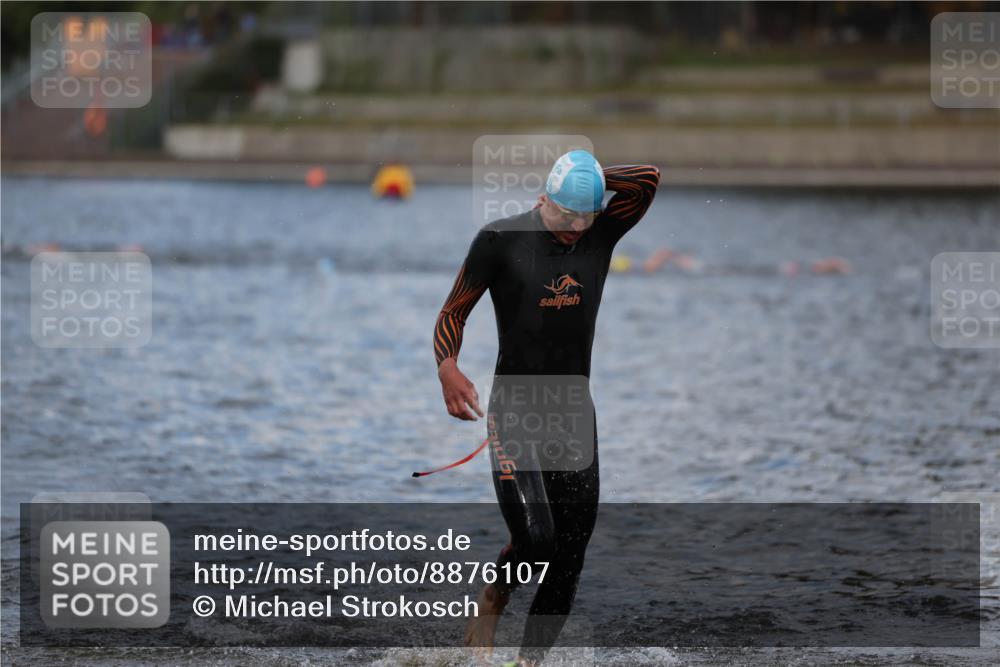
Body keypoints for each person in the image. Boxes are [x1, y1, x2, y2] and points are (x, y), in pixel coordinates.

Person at [433, 149, 659, 665]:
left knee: (571, 550)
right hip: (515, 410)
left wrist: (591, 179)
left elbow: (648, 178)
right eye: (566, 217)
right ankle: (495, 595)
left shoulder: (600, 232)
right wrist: (447, 366)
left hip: (574, 411)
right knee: (537, 540)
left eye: (585, 218)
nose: (575, 230)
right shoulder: (499, 240)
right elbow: (453, 312)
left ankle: (528, 663)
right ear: (544, 199)